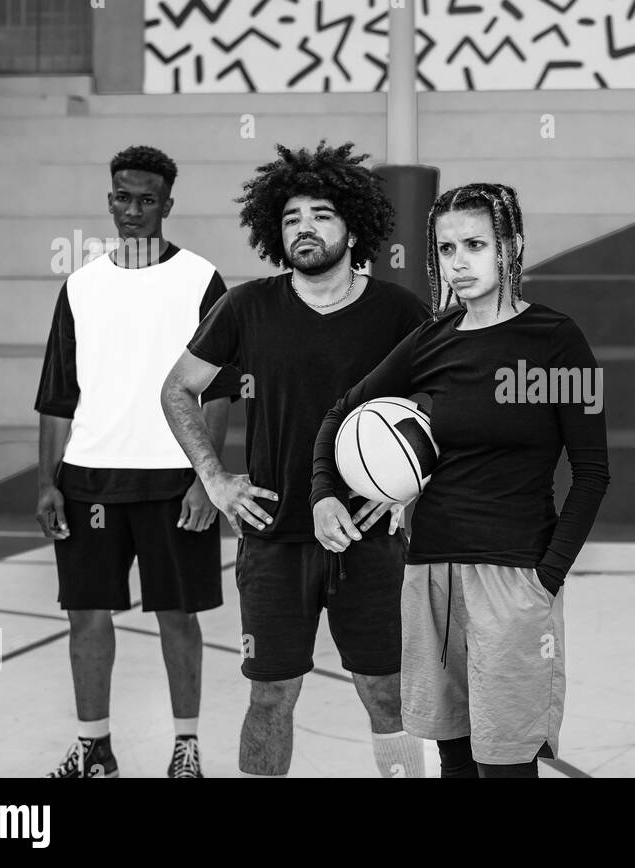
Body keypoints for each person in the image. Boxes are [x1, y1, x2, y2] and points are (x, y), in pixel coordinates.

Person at [311, 183, 610, 778]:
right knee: (453, 759)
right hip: (428, 574)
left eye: (476, 244)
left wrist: (545, 579)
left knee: (505, 764)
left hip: (514, 575)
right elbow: (338, 412)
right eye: (447, 249)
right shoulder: (431, 340)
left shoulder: (555, 341)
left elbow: (593, 473)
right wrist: (324, 493)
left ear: (512, 247)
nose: (460, 262)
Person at [161, 141, 430, 778]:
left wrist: (407, 490)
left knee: (387, 693)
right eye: (290, 218)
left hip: (369, 534)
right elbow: (178, 389)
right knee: (272, 695)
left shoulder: (398, 312)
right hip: (274, 534)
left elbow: (441, 411)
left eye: (321, 214)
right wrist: (215, 478)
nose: (304, 227)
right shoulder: (247, 306)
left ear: (353, 226)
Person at [35, 145, 241, 778]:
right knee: (86, 615)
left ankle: (186, 748)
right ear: (109, 200)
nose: (132, 210)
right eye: (122, 197)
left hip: (175, 482)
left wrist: (207, 480)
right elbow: (57, 396)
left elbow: (220, 389)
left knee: (179, 618)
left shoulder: (201, 279)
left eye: (146, 199)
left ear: (167, 205)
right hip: (89, 480)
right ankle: (94, 746)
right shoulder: (80, 286)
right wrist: (48, 481)